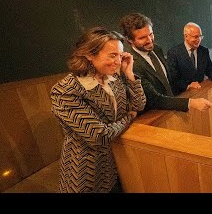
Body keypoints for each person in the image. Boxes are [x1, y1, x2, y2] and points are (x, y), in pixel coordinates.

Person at [50, 27, 146, 193]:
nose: (117, 61)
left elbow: (139, 105)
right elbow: (99, 135)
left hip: (118, 160)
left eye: (120, 55)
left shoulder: (113, 77)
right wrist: (129, 117)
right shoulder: (65, 91)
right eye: (112, 55)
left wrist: (129, 74)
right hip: (87, 169)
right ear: (89, 54)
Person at [119, 13, 212, 112]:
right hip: (154, 116)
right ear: (129, 40)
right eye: (142, 38)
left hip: (172, 110)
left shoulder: (157, 49)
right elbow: (154, 99)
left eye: (151, 34)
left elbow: (170, 80)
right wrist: (190, 103)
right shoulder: (131, 65)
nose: (149, 40)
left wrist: (187, 87)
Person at [167, 22, 212, 95]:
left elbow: (209, 68)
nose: (198, 40)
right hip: (183, 95)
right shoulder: (173, 53)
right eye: (195, 37)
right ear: (186, 36)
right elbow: (173, 78)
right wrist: (188, 86)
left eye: (200, 36)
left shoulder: (204, 51)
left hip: (200, 92)